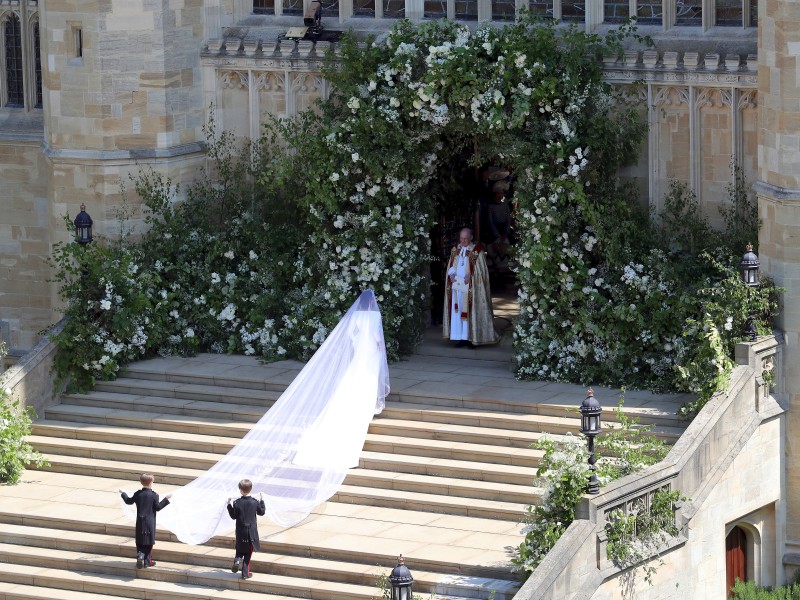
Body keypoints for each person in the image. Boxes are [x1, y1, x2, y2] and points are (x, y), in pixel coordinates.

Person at [443, 228, 500, 347]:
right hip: (457, 288)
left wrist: (472, 275)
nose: (463, 241)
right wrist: (451, 274)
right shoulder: (455, 249)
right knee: (457, 313)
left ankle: (472, 338)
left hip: (471, 289)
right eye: (461, 238)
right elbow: (451, 265)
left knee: (470, 312)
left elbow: (482, 272)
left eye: (466, 238)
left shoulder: (477, 251)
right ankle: (460, 338)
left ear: (471, 238)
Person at [120, 473, 172, 569]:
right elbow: (158, 507)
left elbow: (128, 501)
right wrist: (166, 499)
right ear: (151, 483)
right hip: (150, 522)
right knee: (149, 541)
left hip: (140, 520)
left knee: (140, 539)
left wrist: (123, 493)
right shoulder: (154, 495)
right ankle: (148, 562)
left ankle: (140, 555)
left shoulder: (138, 494)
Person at [227, 479, 267, 579]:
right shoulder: (255, 502)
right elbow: (261, 512)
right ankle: (245, 574)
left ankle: (237, 560)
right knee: (248, 553)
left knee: (240, 548)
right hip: (251, 532)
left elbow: (233, 516)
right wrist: (262, 501)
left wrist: (229, 505)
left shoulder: (237, 502)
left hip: (240, 531)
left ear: (240, 490)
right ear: (251, 488)